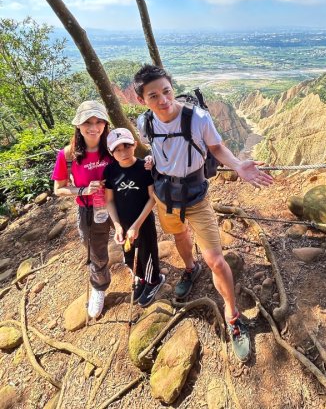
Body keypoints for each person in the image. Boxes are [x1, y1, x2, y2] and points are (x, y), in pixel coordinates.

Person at [134, 64, 273, 363]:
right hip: (164, 195)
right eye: (154, 95)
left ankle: (232, 314)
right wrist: (151, 162)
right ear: (142, 100)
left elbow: (217, 147)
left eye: (167, 91)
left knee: (216, 260)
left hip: (196, 197)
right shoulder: (144, 122)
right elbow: (155, 150)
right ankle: (189, 268)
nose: (163, 100)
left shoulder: (197, 118)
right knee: (179, 236)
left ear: (173, 88)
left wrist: (238, 165)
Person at [52, 100, 113, 319]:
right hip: (89, 210)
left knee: (132, 239)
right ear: (78, 125)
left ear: (105, 124)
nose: (93, 127)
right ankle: (99, 287)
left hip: (117, 204)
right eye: (88, 122)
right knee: (96, 252)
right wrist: (82, 190)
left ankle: (136, 269)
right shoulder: (68, 155)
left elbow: (131, 163)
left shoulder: (113, 147)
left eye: (99, 122)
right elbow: (58, 189)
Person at [104, 127, 165, 307]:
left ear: (135, 145)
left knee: (147, 253)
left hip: (143, 221)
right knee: (129, 255)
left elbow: (152, 198)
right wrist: (117, 226)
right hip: (122, 222)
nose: (123, 152)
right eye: (117, 149)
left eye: (127, 146)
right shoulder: (110, 171)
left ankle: (154, 280)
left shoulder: (143, 168)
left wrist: (137, 225)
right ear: (111, 152)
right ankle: (141, 278)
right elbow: (109, 200)